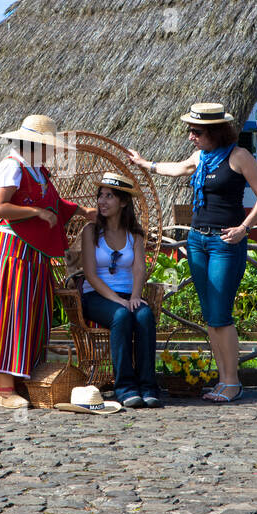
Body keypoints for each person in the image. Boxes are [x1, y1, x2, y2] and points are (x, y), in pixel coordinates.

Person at [129, 102, 257, 403]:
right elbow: (178, 169)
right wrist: (146, 164)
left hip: (225, 243)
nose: (191, 137)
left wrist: (244, 227)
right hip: (197, 241)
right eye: (190, 131)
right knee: (210, 316)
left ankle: (232, 382)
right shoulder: (201, 156)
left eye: (197, 132)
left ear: (215, 132)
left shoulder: (239, 156)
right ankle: (223, 380)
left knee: (221, 314)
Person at [0, 114, 84, 408]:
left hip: (34, 255)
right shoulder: (12, 167)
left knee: (33, 315)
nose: (51, 152)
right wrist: (36, 213)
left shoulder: (38, 170)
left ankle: (24, 380)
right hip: (12, 253)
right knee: (10, 314)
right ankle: (4, 391)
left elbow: (55, 205)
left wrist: (85, 211)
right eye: (47, 146)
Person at [79, 172, 160, 408]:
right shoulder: (90, 232)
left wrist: (135, 296)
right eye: (100, 196)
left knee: (144, 315)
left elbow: (138, 270)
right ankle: (124, 387)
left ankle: (147, 386)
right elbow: (91, 275)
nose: (102, 201)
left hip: (128, 294)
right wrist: (118, 301)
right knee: (121, 315)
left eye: (109, 196)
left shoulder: (134, 235)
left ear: (123, 202)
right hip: (97, 296)